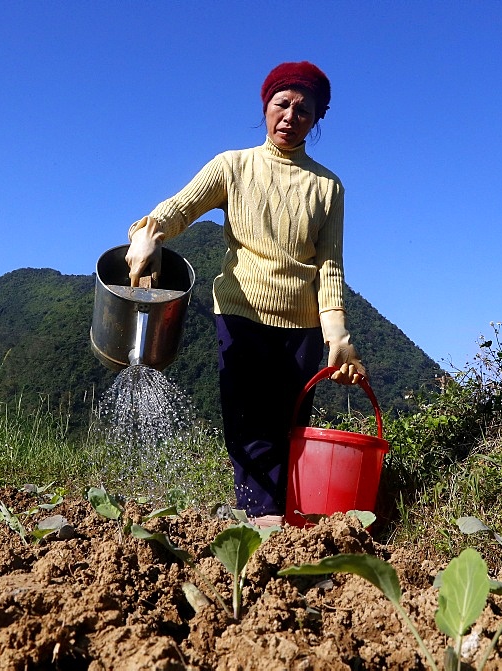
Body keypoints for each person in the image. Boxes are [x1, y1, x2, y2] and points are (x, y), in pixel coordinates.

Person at [124, 61, 365, 527]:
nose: (290, 117)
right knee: (248, 425)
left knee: (288, 428)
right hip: (240, 314)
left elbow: (329, 264)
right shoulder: (233, 166)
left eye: (303, 110)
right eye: (283, 104)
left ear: (317, 119)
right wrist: (148, 233)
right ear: (266, 106)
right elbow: (181, 207)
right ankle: (263, 522)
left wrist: (336, 330)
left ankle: (283, 522)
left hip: (304, 327)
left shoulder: (328, 186)